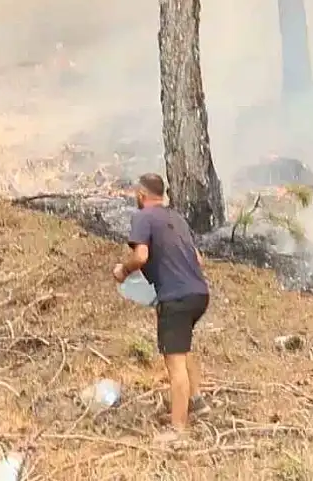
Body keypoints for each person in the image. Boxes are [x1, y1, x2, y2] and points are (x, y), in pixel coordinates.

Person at [113, 173, 211, 444]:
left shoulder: (143, 217)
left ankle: (178, 430)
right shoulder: (176, 218)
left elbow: (141, 256)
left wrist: (123, 270)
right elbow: (198, 260)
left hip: (175, 297)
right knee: (183, 346)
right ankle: (197, 401)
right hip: (199, 293)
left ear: (141, 195)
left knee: (174, 362)